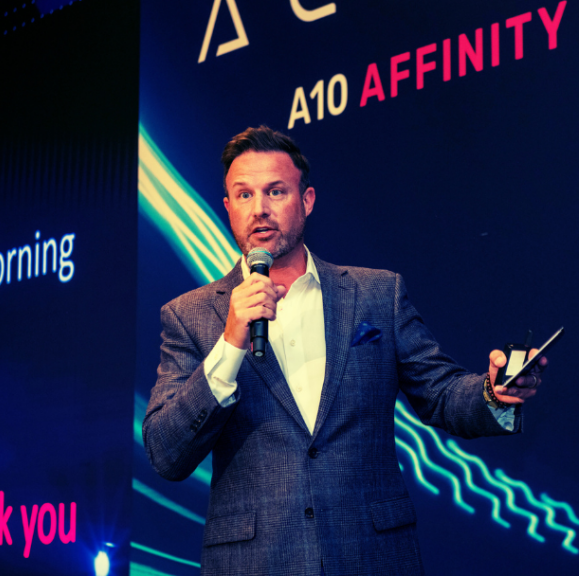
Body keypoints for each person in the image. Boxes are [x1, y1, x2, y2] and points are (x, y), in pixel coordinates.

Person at [142, 126, 546, 576]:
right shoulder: (189, 316)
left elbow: (442, 393)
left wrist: (493, 391)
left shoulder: (376, 293)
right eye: (243, 195)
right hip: (255, 563)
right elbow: (166, 453)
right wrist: (230, 342)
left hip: (370, 556)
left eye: (275, 191)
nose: (259, 209)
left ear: (307, 200)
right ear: (228, 208)